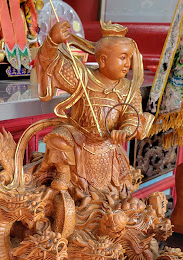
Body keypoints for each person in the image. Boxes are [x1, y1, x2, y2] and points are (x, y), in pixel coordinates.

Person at [34, 20, 154, 204]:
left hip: (108, 145)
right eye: (122, 58)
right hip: (79, 137)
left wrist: (125, 130)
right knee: (57, 138)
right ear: (103, 60)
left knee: (115, 194)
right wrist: (52, 42)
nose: (127, 64)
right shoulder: (83, 77)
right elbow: (52, 63)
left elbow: (133, 116)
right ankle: (64, 174)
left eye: (129, 58)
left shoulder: (130, 89)